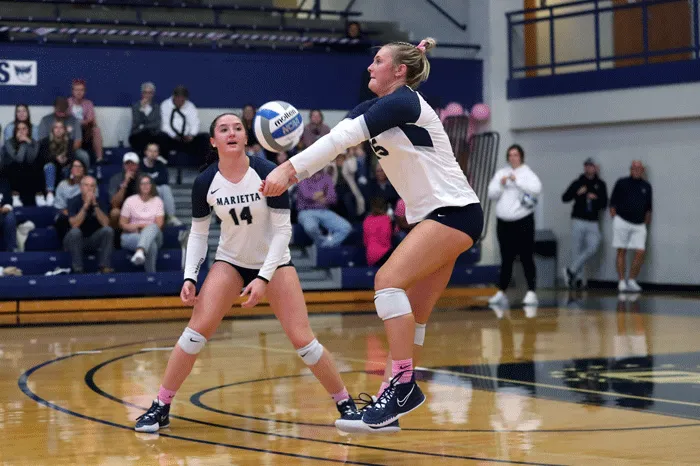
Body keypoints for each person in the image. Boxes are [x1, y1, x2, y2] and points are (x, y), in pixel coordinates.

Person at [260, 38, 483, 432]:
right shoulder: (380, 107)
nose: (369, 67)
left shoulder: (405, 103)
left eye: (378, 61)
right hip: (443, 217)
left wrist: (288, 171)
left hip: (453, 213)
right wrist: (408, 59)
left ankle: (401, 387)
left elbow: (340, 140)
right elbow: (337, 138)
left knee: (387, 281)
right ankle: (391, 405)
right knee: (415, 317)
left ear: (399, 71)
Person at [134, 113, 361, 433]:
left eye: (237, 128)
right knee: (194, 333)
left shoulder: (269, 172)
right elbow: (199, 234)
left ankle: (346, 403)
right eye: (223, 129)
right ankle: (161, 405)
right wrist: (189, 276)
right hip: (231, 261)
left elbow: (284, 233)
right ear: (213, 141)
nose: (231, 133)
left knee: (304, 341)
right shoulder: (205, 182)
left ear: (246, 137)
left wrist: (264, 278)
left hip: (275, 262)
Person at [487, 144, 542, 306]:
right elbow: (491, 193)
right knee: (506, 258)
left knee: (526, 256)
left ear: (521, 156)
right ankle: (502, 291)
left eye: (516, 155)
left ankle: (531, 291)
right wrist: (502, 184)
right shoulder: (501, 173)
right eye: (510, 155)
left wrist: (517, 181)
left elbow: (536, 189)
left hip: (523, 221)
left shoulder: (527, 173)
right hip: (504, 223)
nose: (513, 158)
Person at [561, 158, 608, 289]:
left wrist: (596, 199)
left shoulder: (600, 184)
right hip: (578, 219)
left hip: (593, 221)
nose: (588, 168)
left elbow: (604, 203)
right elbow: (565, 198)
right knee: (577, 249)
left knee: (594, 246)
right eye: (586, 166)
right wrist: (577, 193)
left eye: (591, 166)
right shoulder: (578, 182)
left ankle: (571, 270)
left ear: (596, 168)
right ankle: (578, 280)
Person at [609, 160, 652, 293]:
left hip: (639, 224)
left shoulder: (647, 186)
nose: (636, 170)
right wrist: (615, 218)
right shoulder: (621, 182)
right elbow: (612, 202)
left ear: (643, 170)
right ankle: (622, 281)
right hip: (622, 221)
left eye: (639, 168)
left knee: (640, 252)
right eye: (634, 168)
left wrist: (646, 222)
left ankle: (632, 280)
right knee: (621, 251)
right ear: (630, 169)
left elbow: (649, 208)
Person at [64, 176, 114, 274]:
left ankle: (104, 267)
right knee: (75, 231)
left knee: (108, 230)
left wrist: (95, 205)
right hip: (73, 240)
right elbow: (74, 224)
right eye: (86, 185)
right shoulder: (73, 201)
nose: (89, 188)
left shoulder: (100, 202)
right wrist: (86, 205)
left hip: (92, 239)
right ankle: (78, 268)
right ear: (81, 187)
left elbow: (106, 224)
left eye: (92, 186)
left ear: (95, 188)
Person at [119, 175, 164, 272]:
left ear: (152, 185)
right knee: (151, 244)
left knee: (153, 227)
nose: (145, 186)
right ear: (138, 186)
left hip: (154, 234)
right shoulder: (130, 200)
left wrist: (142, 228)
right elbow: (122, 224)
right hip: (132, 235)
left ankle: (140, 250)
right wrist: (139, 226)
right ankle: (151, 275)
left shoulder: (157, 201)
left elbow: (159, 225)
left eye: (148, 183)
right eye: (142, 183)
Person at [68, 78, 104, 163]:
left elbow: (91, 120)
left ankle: (99, 158)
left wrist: (80, 122)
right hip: (71, 131)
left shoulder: (88, 103)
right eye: (76, 90)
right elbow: (65, 119)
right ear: (73, 91)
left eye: (81, 90)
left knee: (96, 130)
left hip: (85, 131)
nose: (79, 92)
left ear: (84, 92)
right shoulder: (67, 103)